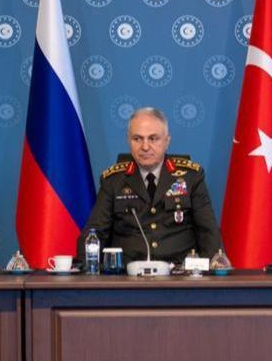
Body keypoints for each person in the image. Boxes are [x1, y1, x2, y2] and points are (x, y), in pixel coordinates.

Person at [82, 107, 221, 263]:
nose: (145, 147)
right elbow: (95, 233)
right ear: (128, 140)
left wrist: (212, 273)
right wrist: (86, 272)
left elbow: (208, 232)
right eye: (137, 139)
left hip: (180, 276)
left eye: (153, 138)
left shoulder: (191, 178)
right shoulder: (113, 181)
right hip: (127, 278)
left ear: (167, 141)